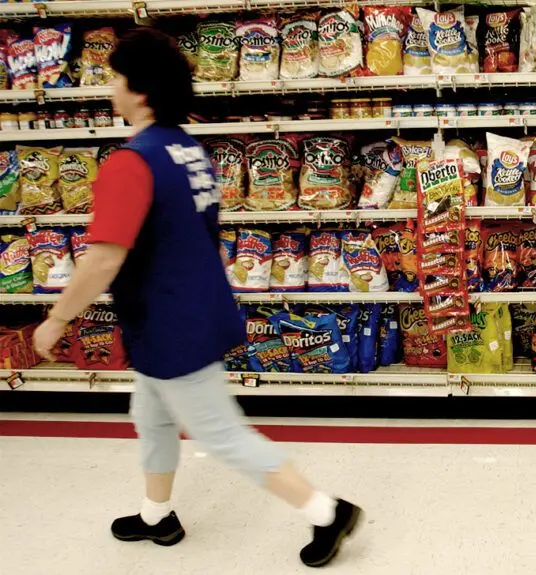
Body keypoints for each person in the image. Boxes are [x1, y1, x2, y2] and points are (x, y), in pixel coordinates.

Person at [31, 28, 363, 569]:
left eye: (115, 77)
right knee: (153, 416)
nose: (109, 87)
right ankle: (156, 515)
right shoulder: (189, 150)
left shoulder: (130, 163)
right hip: (193, 306)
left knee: (222, 434)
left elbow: (104, 258)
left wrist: (57, 318)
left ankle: (327, 510)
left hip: (170, 323)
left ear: (138, 90)